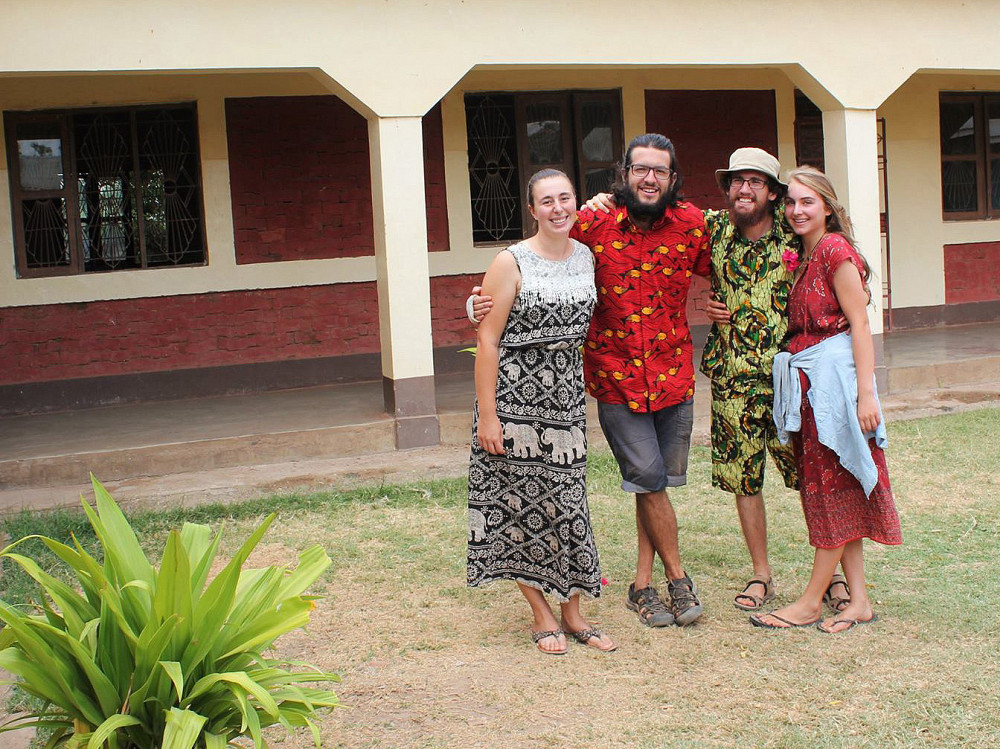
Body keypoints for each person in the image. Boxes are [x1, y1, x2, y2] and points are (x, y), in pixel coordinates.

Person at [585, 147, 852, 614]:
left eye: (756, 182)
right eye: (736, 181)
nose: (744, 189)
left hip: (792, 376)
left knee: (815, 477)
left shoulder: (794, 233)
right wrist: (599, 201)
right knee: (741, 481)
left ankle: (833, 578)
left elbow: (842, 273)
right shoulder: (710, 227)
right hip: (725, 376)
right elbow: (626, 211)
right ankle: (760, 575)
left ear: (774, 192)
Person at [472, 134, 711, 628]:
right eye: (640, 169)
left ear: (672, 177)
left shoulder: (693, 224)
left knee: (654, 483)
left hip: (672, 375)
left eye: (659, 171)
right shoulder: (592, 222)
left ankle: (641, 585)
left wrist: (725, 309)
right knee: (647, 478)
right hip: (615, 378)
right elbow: (528, 265)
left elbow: (729, 271)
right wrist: (474, 305)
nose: (649, 179)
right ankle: (675, 577)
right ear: (623, 173)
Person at [467, 168, 616, 655]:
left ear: (576, 202)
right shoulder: (510, 262)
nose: (557, 209)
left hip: (567, 399)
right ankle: (541, 613)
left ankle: (574, 611)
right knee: (518, 506)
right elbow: (487, 339)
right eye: (546, 202)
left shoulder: (587, 257)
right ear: (532, 210)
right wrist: (490, 417)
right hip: (513, 400)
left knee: (569, 504)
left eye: (565, 199)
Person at [750, 165, 901, 633]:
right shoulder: (807, 251)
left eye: (807, 202)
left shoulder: (835, 250)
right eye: (791, 202)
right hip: (814, 386)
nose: (796, 210)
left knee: (831, 488)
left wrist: (865, 395)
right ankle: (858, 600)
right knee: (838, 488)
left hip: (835, 388)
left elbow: (859, 323)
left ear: (828, 208)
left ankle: (812, 601)